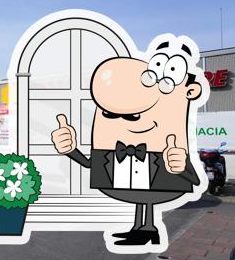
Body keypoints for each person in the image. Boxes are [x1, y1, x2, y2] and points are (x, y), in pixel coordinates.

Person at [52, 36, 206, 247]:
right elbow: (90, 164)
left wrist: (180, 168)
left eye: (133, 115)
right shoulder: (111, 151)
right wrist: (70, 149)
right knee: (141, 198)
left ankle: (148, 229)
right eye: (110, 114)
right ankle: (142, 229)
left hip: (158, 172)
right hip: (128, 175)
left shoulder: (170, 149)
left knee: (147, 197)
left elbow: (195, 181)